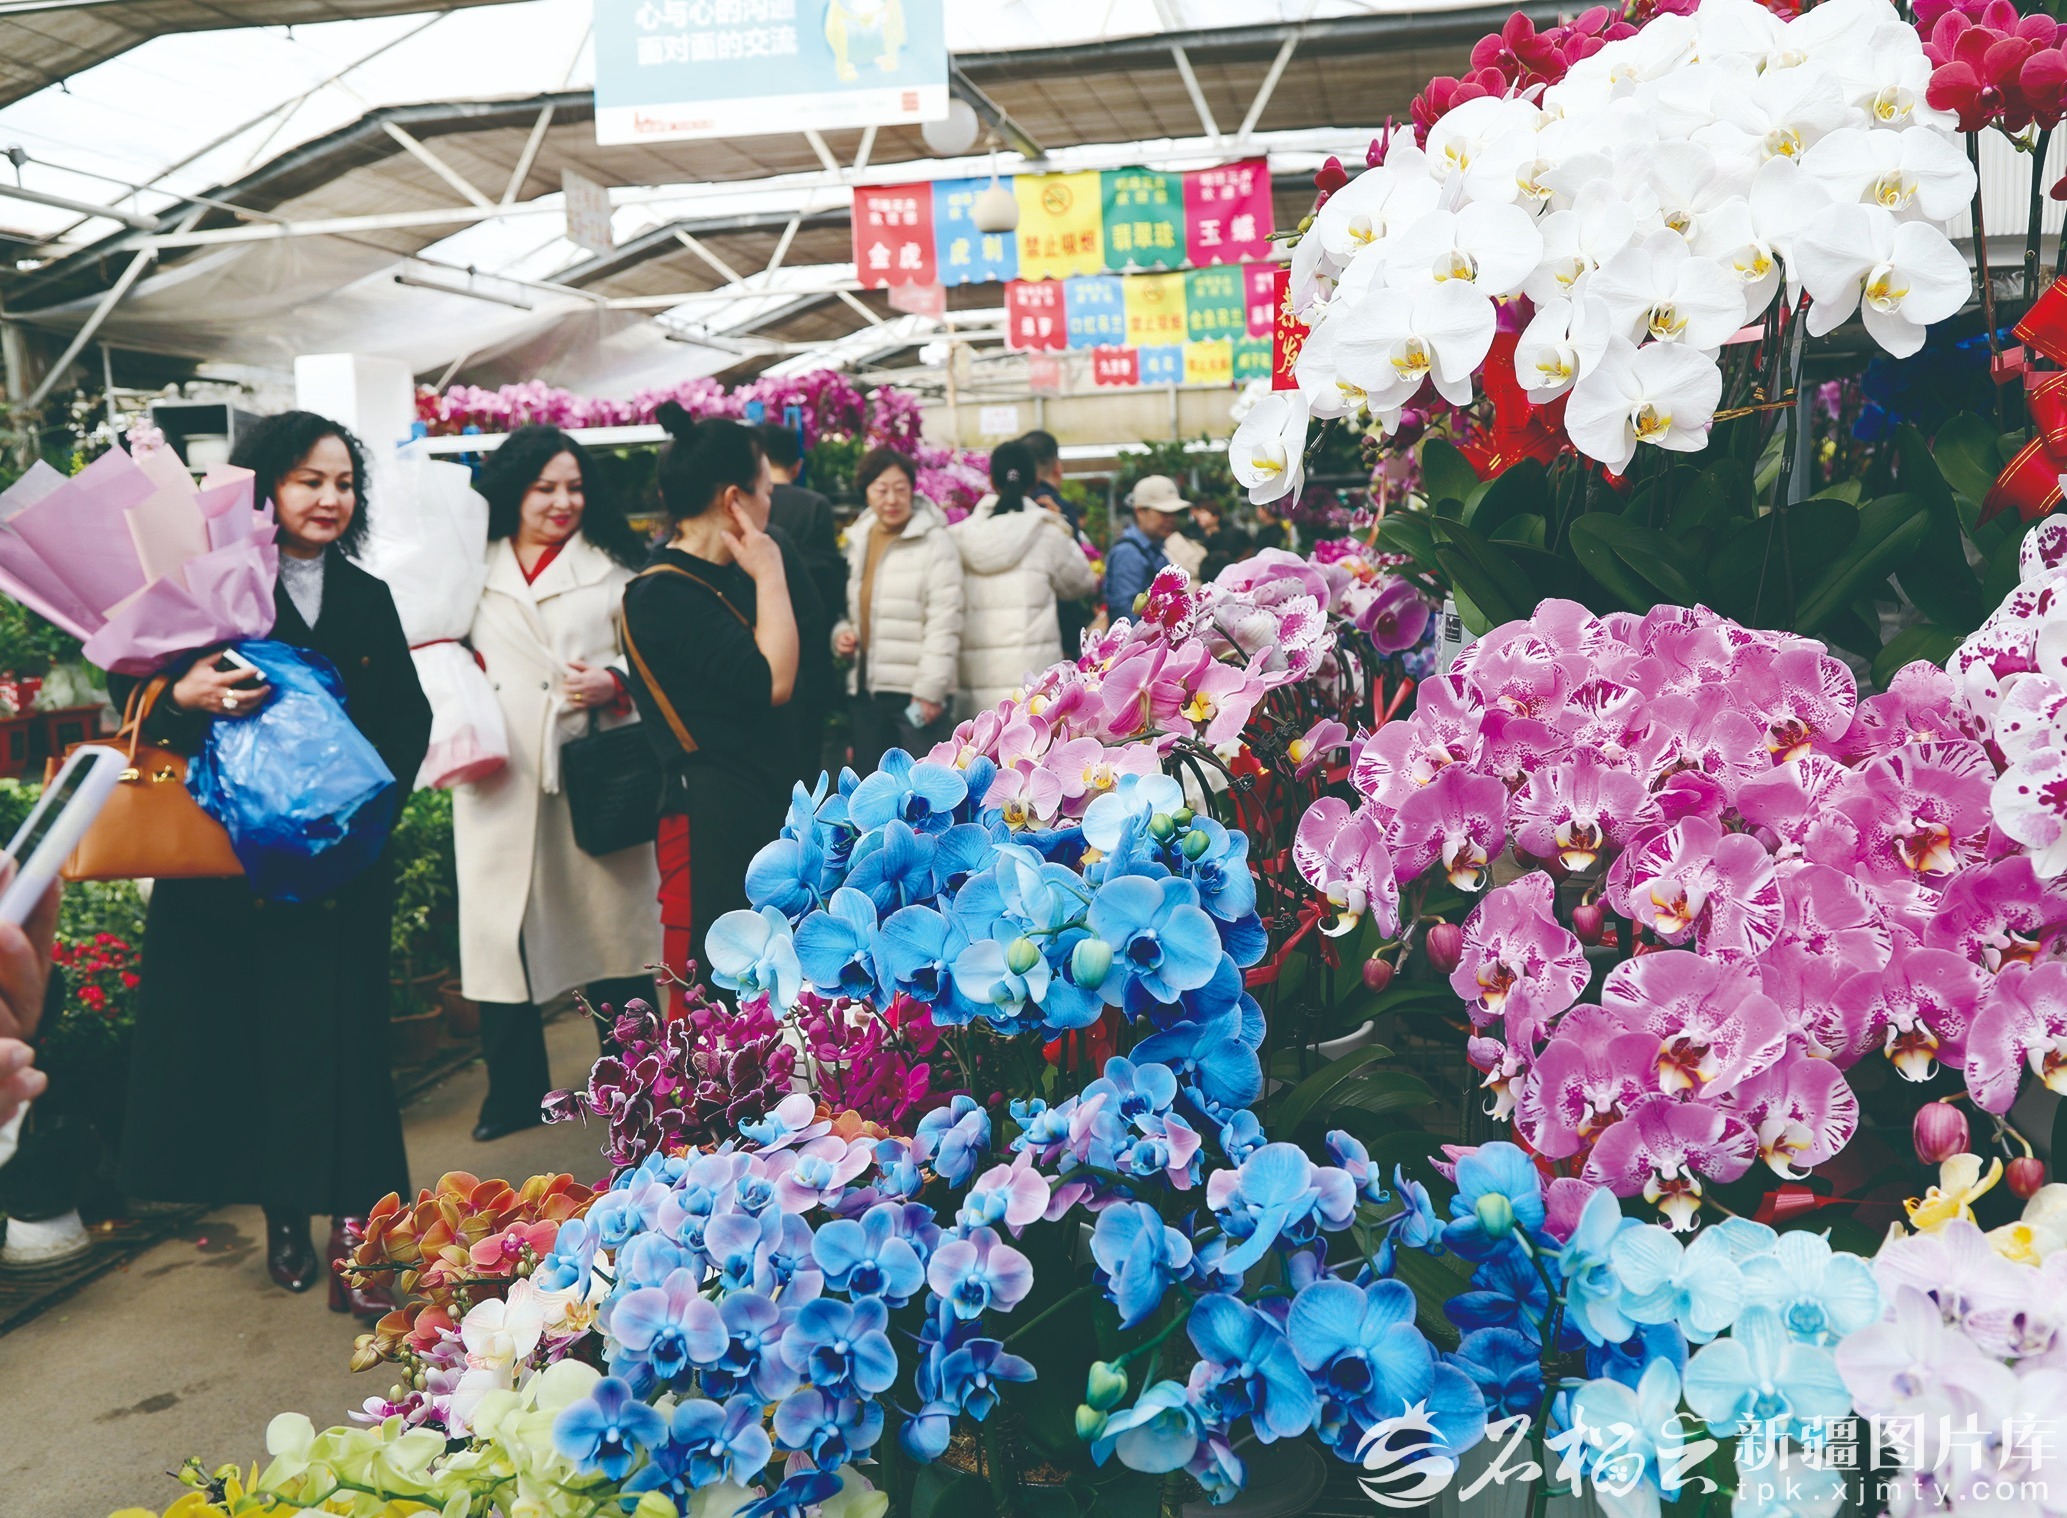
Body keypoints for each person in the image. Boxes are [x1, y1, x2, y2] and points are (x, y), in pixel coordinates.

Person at [113, 411, 431, 1309]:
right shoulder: (208, 584)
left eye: (344, 483)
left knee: (350, 1050)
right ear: (265, 489)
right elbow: (126, 689)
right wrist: (182, 693)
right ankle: (284, 1214)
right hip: (234, 869)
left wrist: (358, 810)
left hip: (343, 868)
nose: (330, 498)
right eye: (308, 480)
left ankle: (359, 1233)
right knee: (258, 1043)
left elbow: (407, 718)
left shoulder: (366, 596)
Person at [456, 426, 662, 1144]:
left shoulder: (613, 566)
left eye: (574, 486)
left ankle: (636, 1080)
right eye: (544, 487)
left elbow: (655, 659)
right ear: (513, 490)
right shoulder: (469, 564)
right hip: (498, 770)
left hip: (592, 767)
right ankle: (513, 1093)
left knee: (612, 930)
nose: (561, 501)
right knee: (499, 934)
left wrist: (614, 681)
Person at [621, 407, 799, 1009]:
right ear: (733, 499)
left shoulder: (727, 575)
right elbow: (773, 681)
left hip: (755, 801)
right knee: (712, 999)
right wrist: (770, 571)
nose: (771, 503)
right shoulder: (662, 594)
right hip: (708, 817)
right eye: (765, 490)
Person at [832, 447, 964, 775]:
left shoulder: (935, 542)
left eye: (900, 489)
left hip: (915, 694)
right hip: (867, 692)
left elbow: (945, 620)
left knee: (922, 785)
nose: (891, 499)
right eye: (881, 490)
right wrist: (842, 635)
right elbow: (851, 607)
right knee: (872, 786)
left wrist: (930, 692)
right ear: (866, 492)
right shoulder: (859, 538)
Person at [950, 439, 1100, 713]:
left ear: (991, 480)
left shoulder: (958, 536)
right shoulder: (1047, 531)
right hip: (1034, 690)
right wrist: (1063, 527)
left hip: (976, 686)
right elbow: (1082, 583)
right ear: (1035, 481)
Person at [760, 424, 844, 780]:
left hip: (761, 643)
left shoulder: (745, 509)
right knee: (806, 755)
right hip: (808, 648)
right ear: (797, 465)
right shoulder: (814, 505)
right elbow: (830, 579)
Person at [1018, 429, 1096, 659]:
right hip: (1058, 626)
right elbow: (1074, 575)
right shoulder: (1059, 510)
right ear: (1057, 467)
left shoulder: (1015, 507)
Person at [1105, 474, 1191, 622]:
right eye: (1164, 513)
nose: (1171, 519)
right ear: (1140, 512)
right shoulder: (1128, 553)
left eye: (1174, 514)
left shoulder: (1153, 547)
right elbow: (1127, 616)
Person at [1189, 498, 1250, 583]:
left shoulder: (1230, 534)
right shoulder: (1194, 535)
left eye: (1204, 512)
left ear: (1215, 516)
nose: (1200, 516)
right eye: (1199, 512)